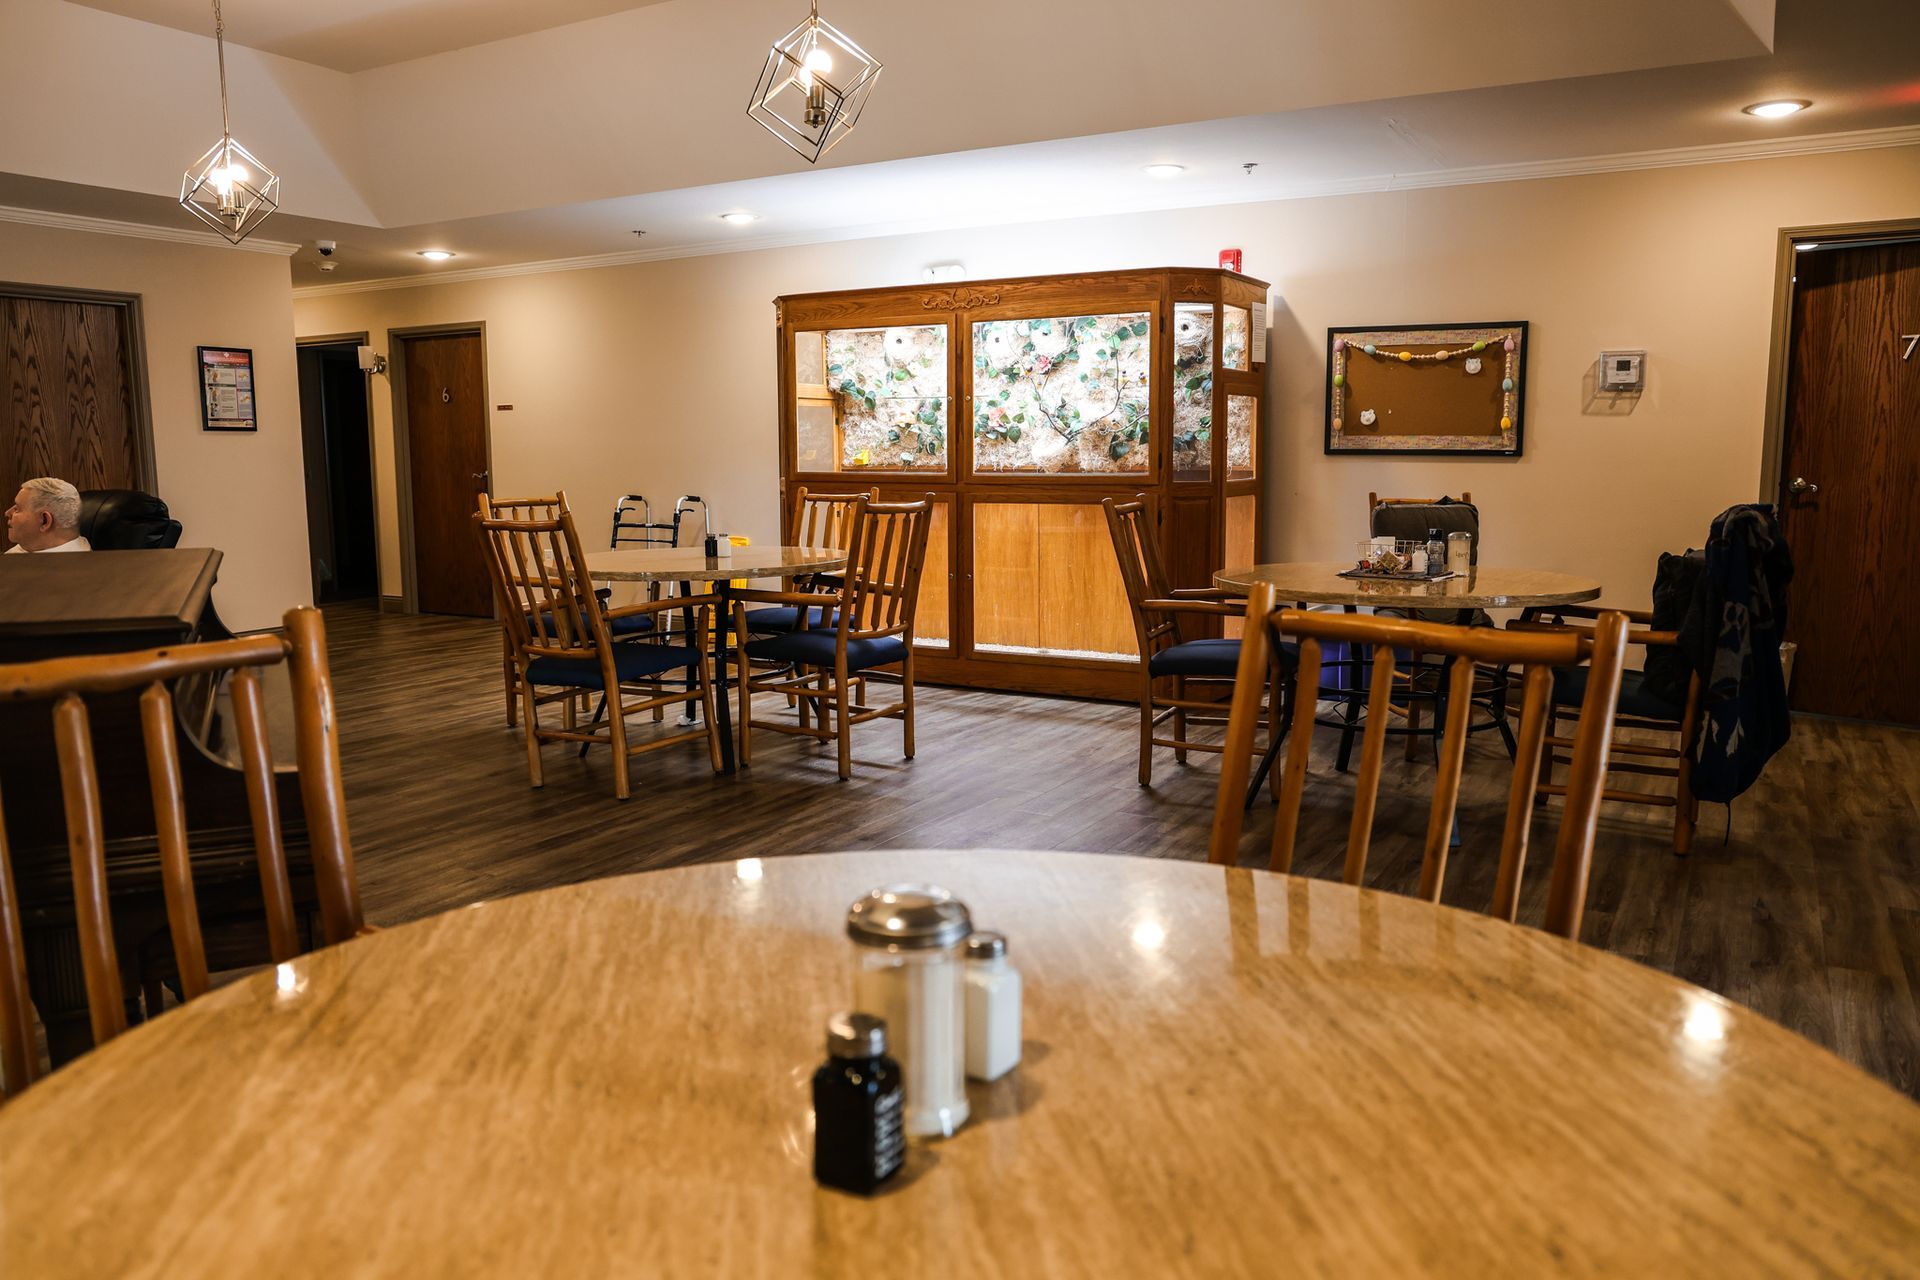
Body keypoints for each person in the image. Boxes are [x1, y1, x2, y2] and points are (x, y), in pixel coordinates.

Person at [5, 477, 92, 554]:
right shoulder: (34, 547)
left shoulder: (74, 569)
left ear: (45, 521)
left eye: (17, 509)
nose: (7, 513)